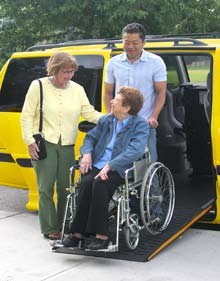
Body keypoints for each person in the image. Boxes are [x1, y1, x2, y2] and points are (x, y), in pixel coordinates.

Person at [21, 51, 103, 240]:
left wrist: (112, 118)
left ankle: (64, 224)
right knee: (45, 187)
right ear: (55, 69)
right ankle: (50, 227)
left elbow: (89, 112)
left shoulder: (77, 89)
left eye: (72, 72)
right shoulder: (38, 86)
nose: (68, 76)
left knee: (66, 187)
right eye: (65, 72)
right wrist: (29, 141)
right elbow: (26, 116)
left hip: (67, 144)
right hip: (43, 143)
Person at [62, 86, 150, 250]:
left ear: (127, 107)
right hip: (98, 163)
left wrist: (111, 165)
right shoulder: (107, 120)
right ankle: (77, 233)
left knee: (100, 185)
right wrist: (87, 153)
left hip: (119, 167)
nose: (111, 101)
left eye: (116, 100)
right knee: (86, 183)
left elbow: (135, 150)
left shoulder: (140, 125)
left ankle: (101, 236)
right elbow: (90, 138)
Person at [104, 22, 167, 162]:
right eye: (126, 42)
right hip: (119, 125)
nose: (130, 46)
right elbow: (107, 93)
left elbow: (161, 92)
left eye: (135, 42)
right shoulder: (113, 63)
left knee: (149, 167)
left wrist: (153, 116)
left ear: (143, 42)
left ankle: (154, 184)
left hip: (144, 124)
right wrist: (111, 116)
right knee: (118, 165)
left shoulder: (156, 62)